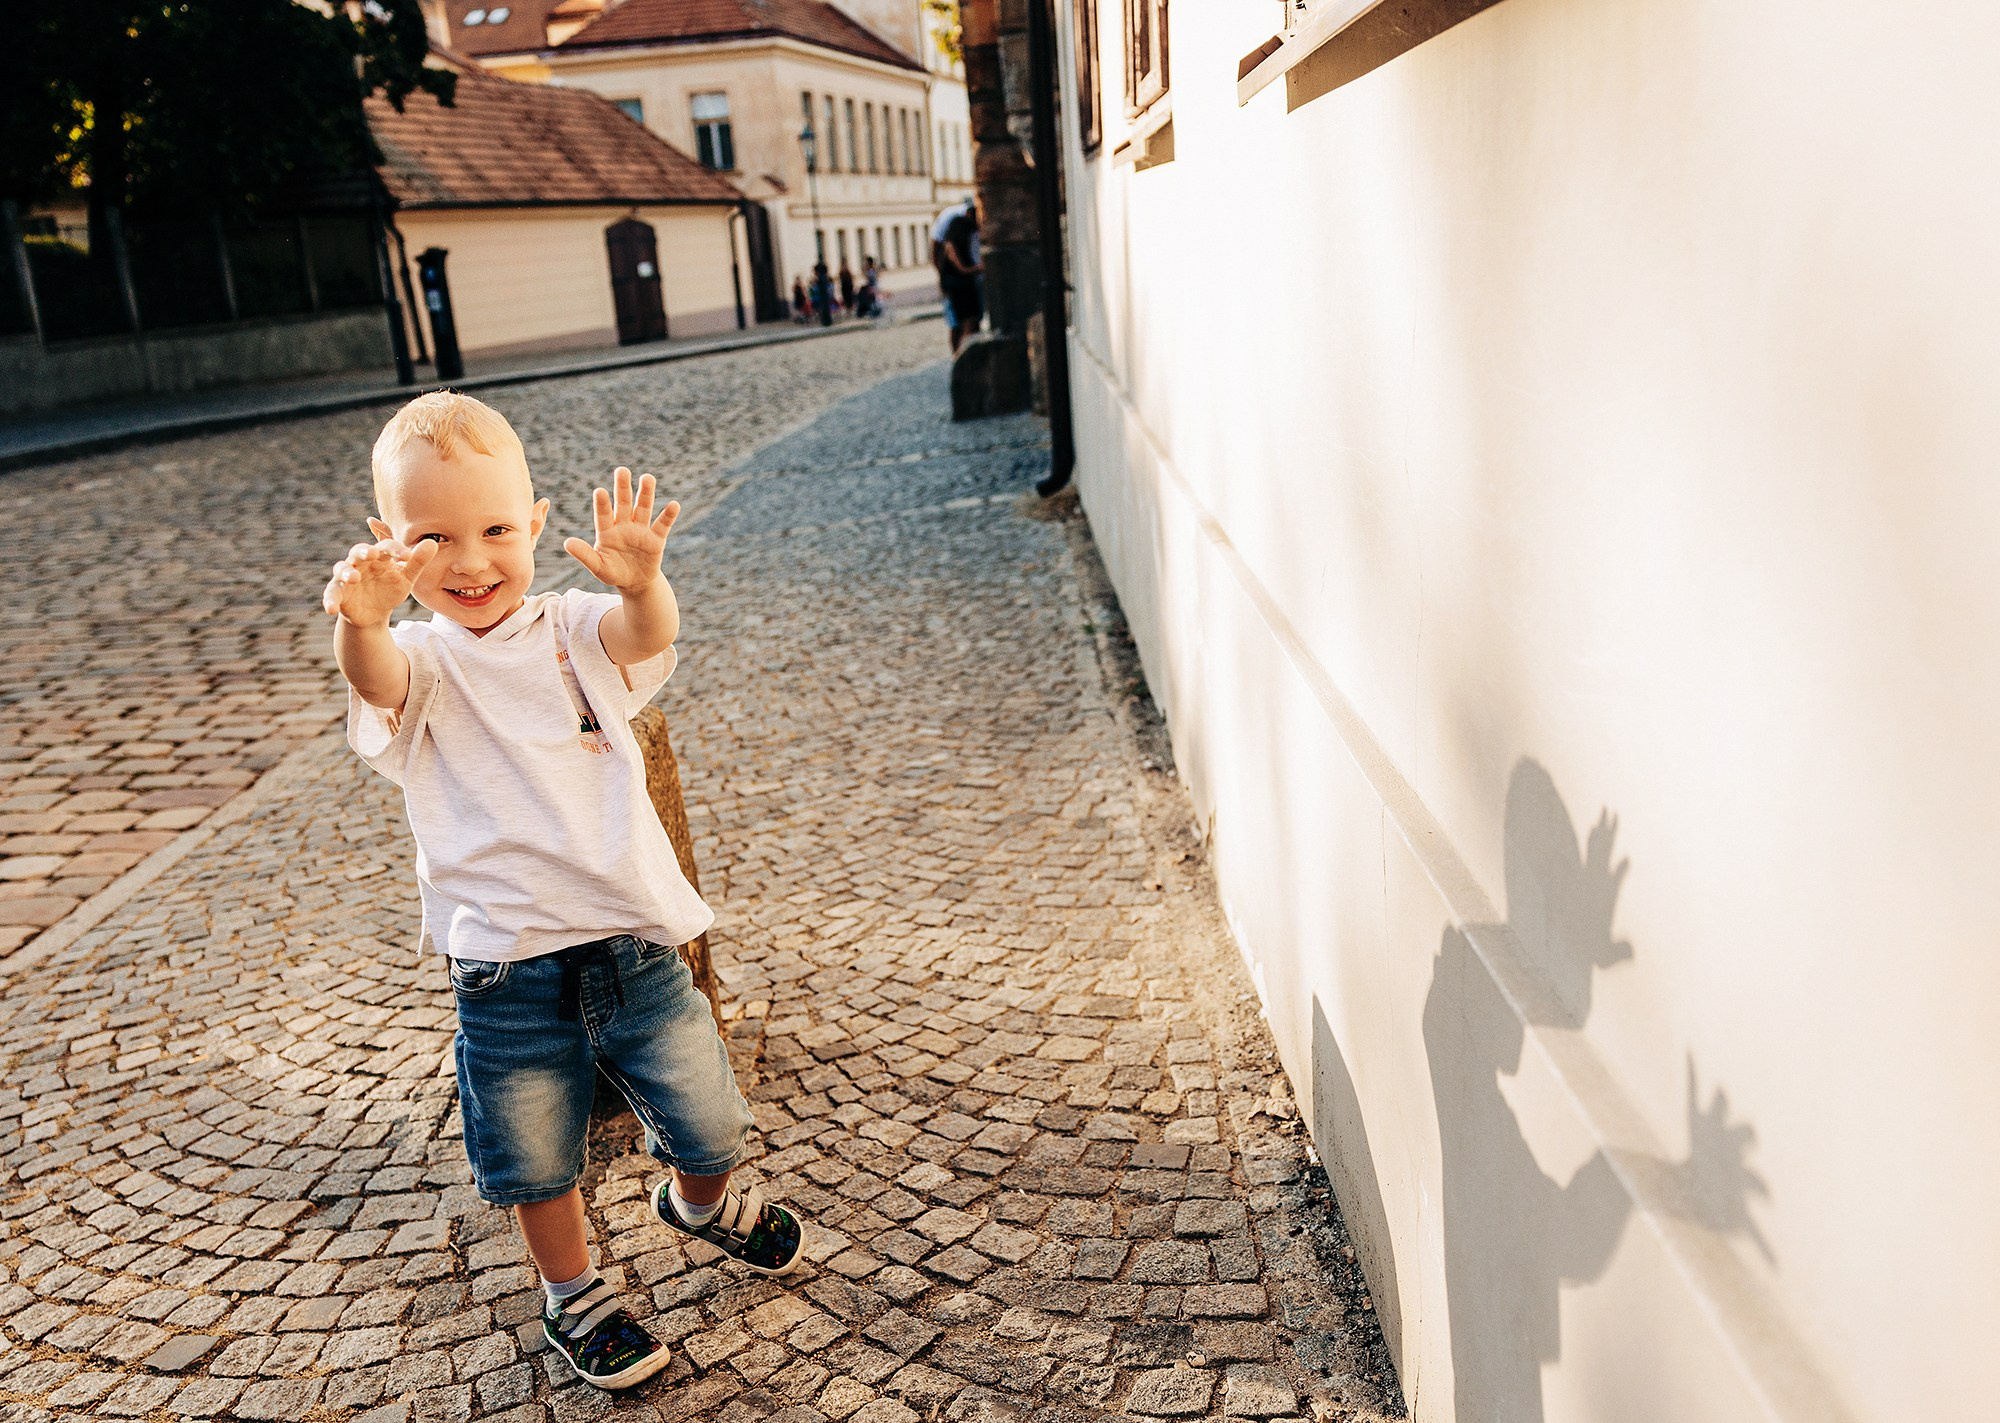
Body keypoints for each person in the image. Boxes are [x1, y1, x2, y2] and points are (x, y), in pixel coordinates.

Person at [322, 393, 805, 1391]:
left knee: (710, 1123)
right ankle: (573, 1294)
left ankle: (702, 1204)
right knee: (539, 1159)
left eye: (496, 528)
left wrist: (645, 584)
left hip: (632, 945)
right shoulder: (417, 658)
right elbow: (372, 681)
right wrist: (359, 624)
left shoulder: (573, 631)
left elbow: (640, 637)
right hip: (502, 968)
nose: (470, 560)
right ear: (391, 544)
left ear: (535, 523)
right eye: (434, 537)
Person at [936, 198, 983, 353]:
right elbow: (962, 269)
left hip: (960, 287)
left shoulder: (953, 245)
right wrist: (979, 268)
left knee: (963, 324)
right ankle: (961, 356)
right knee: (966, 324)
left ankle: (961, 355)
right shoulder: (952, 246)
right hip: (960, 287)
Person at [809, 262, 835, 327]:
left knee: (824, 308)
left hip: (822, 297)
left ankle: (826, 321)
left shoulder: (821, 278)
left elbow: (819, 288)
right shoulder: (824, 277)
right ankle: (827, 321)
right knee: (825, 308)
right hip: (825, 296)